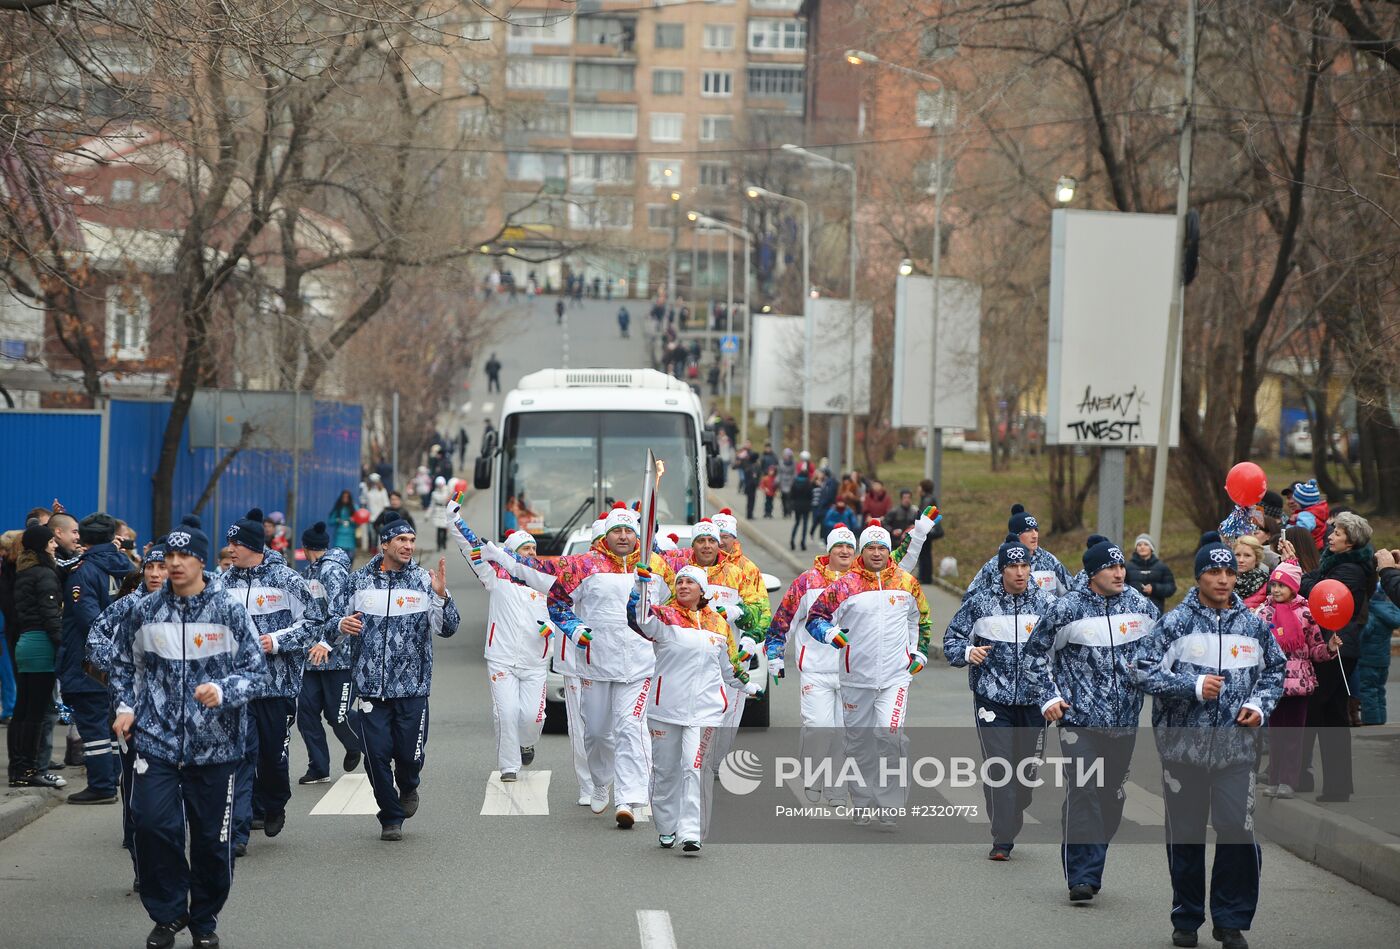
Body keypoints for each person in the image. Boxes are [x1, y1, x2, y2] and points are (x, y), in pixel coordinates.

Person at [110, 515, 268, 949]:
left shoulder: (228, 608)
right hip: (156, 742)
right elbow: (123, 664)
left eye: (185, 556)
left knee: (211, 844)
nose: (175, 564)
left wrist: (223, 689)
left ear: (201, 561)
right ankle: (167, 913)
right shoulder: (145, 610)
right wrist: (126, 707)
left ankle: (204, 920)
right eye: (169, 556)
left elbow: (257, 674)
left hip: (215, 747)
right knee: (151, 825)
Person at [476, 502, 674, 828]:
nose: (623, 536)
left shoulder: (653, 566)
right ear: (607, 535)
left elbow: (683, 593)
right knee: (596, 734)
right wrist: (574, 628)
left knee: (629, 728)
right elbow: (551, 592)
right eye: (617, 531)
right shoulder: (585, 565)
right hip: (594, 664)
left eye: (629, 531)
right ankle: (599, 783)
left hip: (639, 666)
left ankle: (628, 798)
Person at [1136, 535, 1285, 949]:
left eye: (1229, 572)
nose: (1222, 580)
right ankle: (1186, 917)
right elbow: (1142, 671)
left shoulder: (1253, 625)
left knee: (1237, 830)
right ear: (1199, 576)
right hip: (1183, 751)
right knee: (1185, 836)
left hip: (1237, 750)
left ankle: (1231, 919)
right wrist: (1193, 685)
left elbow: (1275, 671)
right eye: (1213, 572)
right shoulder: (1175, 624)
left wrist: (1258, 704)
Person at [1022, 537, 1158, 903]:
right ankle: (1083, 876)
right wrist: (1049, 696)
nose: (1118, 573)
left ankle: (1087, 851)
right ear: (1092, 573)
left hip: (1125, 720)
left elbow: (1161, 657)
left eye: (1120, 567)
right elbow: (1034, 655)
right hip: (1078, 720)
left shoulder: (1141, 606)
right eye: (1109, 568)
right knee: (1084, 789)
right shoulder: (1067, 609)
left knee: (1110, 796)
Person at [335, 512, 458, 840]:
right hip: (371, 688)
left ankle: (408, 785)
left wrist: (442, 597)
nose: (408, 546)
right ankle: (390, 816)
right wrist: (339, 625)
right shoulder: (358, 581)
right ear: (384, 543)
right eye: (402, 540)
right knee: (375, 756)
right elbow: (330, 617)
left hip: (412, 689)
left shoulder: (422, 581)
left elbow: (447, 628)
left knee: (409, 755)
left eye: (412, 540)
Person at [805, 519, 930, 824]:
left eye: (882, 548)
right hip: (854, 677)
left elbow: (921, 620)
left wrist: (919, 652)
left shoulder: (906, 583)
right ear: (862, 551)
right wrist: (829, 634)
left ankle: (889, 803)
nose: (877, 553)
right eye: (871, 548)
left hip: (895, 676)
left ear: (889, 551)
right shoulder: (845, 585)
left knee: (889, 734)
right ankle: (862, 800)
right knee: (859, 741)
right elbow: (815, 617)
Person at [627, 565, 754, 855]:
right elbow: (640, 619)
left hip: (705, 710)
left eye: (690, 582)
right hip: (666, 709)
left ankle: (691, 831)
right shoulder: (663, 616)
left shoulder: (717, 624)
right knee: (666, 770)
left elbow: (728, 667)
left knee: (694, 767)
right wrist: (640, 588)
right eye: (679, 582)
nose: (683, 586)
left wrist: (747, 686)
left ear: (703, 590)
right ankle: (666, 826)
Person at [221, 508, 327, 852]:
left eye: (236, 543)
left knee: (271, 756)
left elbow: (313, 622)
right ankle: (238, 829)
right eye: (228, 543)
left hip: (276, 685)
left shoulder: (286, 580)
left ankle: (275, 801)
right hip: (237, 687)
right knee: (239, 755)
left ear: (253, 545)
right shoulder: (221, 583)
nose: (230, 549)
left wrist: (276, 641)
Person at [943, 537, 1054, 860]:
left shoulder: (1046, 604)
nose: (1020, 572)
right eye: (1013, 566)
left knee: (1027, 773)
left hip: (1035, 700)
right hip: (992, 698)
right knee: (1001, 766)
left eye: (1024, 566)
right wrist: (967, 652)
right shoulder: (980, 603)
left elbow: (1063, 650)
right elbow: (952, 639)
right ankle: (1002, 839)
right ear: (1001, 569)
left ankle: (1011, 806)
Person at [766, 526, 857, 803]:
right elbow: (783, 620)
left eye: (849, 547)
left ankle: (835, 788)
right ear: (829, 550)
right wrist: (774, 654)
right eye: (838, 546)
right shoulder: (808, 581)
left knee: (844, 734)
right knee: (819, 727)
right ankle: (813, 772)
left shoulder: (860, 581)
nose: (844, 551)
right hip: (816, 670)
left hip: (851, 672)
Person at [456, 529, 552, 782]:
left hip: (535, 660)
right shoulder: (496, 576)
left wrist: (550, 627)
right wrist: (454, 520)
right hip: (501, 657)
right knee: (506, 712)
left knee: (534, 716)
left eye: (533, 548)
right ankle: (509, 766)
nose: (531, 552)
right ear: (511, 552)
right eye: (525, 548)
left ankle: (527, 743)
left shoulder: (543, 580)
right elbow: (471, 548)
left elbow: (562, 611)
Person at [1295, 511, 1377, 802]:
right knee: (1330, 714)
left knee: (1325, 713)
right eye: (1332, 531)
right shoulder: (1336, 562)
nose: (1330, 536)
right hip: (1334, 644)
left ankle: (1311, 778)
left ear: (1351, 542)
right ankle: (1333, 785)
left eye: (1338, 533)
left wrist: (1297, 577)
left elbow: (1315, 590)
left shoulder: (1351, 571)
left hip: (1339, 646)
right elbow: (1311, 578)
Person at [58, 512, 133, 805]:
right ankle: (112, 774)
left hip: (86, 659)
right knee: (107, 720)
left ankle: (102, 785)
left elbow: (88, 617)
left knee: (93, 724)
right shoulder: (124, 567)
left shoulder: (84, 571)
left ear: (86, 540)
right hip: (118, 658)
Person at [1254, 562, 1335, 797]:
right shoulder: (1263, 612)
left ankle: (1289, 781)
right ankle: (1274, 779)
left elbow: (1315, 650)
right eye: (1274, 585)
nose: (1277, 590)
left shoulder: (1306, 613)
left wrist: (1329, 648)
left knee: (1293, 737)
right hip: (1272, 684)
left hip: (1299, 684)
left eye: (1282, 585)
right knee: (1276, 736)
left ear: (1294, 587)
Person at [298, 523, 362, 785]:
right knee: (306, 713)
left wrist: (327, 643)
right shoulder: (309, 571)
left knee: (338, 715)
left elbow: (341, 615)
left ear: (305, 547)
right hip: (312, 659)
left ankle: (359, 744)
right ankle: (318, 767)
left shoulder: (332, 571)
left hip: (339, 658)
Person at [5, 523, 65, 789]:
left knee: (22, 710)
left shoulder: (24, 572)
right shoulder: (44, 574)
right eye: (51, 541)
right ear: (43, 545)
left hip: (25, 644)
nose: (55, 545)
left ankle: (17, 770)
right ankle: (30, 770)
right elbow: (51, 616)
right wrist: (63, 646)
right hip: (42, 646)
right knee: (37, 713)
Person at [966, 504, 1071, 599]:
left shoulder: (1050, 561)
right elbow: (970, 598)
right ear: (1016, 534)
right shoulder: (995, 565)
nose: (1035, 535)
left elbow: (1072, 592)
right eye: (1028, 531)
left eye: (1036, 530)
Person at [1357, 582, 1399, 725]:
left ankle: (1372, 722)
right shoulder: (1390, 612)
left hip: (1368, 660)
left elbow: (1364, 633)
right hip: (1383, 660)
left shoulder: (1372, 613)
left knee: (1368, 691)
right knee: (1380, 691)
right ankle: (1381, 720)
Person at [1126, 534, 1176, 615]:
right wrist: (1136, 590)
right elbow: (1122, 587)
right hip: (1133, 612)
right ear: (1136, 548)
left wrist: (1154, 589)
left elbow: (1171, 588)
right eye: (1139, 545)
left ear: (1151, 548)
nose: (1142, 547)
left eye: (1146, 544)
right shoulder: (1127, 567)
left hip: (1156, 611)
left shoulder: (1162, 567)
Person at [1287, 479, 1329, 550]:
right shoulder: (1313, 513)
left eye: (1296, 501)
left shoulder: (1307, 516)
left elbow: (1299, 532)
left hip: (1309, 547)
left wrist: (1289, 526)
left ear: (1302, 503)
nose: (1293, 502)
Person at [1231, 535, 1271, 610]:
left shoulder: (1268, 584)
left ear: (1257, 558)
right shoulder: (1224, 581)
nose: (1241, 560)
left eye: (1247, 555)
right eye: (1237, 555)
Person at [789, 456, 815, 552]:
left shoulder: (795, 482)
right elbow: (811, 496)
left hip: (797, 505)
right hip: (806, 506)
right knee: (804, 524)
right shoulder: (808, 483)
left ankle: (792, 539)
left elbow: (791, 495)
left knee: (796, 523)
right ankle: (802, 542)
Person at [329, 490, 358, 555]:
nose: (345, 499)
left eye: (347, 497)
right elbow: (330, 521)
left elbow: (359, 522)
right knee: (338, 558)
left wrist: (353, 520)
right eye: (344, 497)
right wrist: (337, 520)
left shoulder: (354, 507)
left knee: (350, 558)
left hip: (350, 537)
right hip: (339, 538)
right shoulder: (338, 507)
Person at [428, 477, 452, 552]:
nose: (440, 486)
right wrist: (427, 514)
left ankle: (444, 542)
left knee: (444, 529)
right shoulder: (434, 493)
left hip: (445, 510)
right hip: (437, 512)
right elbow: (432, 504)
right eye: (438, 484)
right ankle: (438, 545)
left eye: (441, 484)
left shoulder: (448, 491)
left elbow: (453, 502)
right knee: (438, 529)